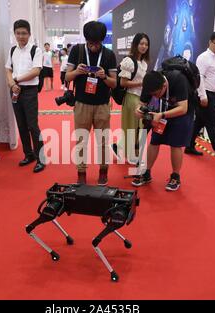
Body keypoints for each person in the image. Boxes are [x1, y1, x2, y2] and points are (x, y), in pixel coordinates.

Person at [65, 21, 117, 185]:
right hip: (82, 103)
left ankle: (103, 171)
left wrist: (104, 77)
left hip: (102, 104)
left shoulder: (109, 55)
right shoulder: (77, 50)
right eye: (91, 43)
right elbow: (67, 77)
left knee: (103, 141)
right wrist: (77, 71)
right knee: (81, 140)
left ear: (102, 40)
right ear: (86, 39)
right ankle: (81, 173)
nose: (94, 47)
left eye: (97, 43)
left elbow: (114, 83)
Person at [132, 69, 194, 192]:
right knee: (154, 141)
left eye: (156, 94)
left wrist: (162, 115)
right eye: (152, 94)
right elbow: (141, 103)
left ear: (164, 85)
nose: (154, 96)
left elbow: (183, 108)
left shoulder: (178, 79)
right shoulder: (150, 83)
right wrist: (138, 109)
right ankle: (146, 173)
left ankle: (175, 176)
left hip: (182, 112)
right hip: (161, 112)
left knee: (175, 144)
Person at [5, 19, 45, 173]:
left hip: (29, 91)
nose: (21, 36)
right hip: (15, 90)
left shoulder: (36, 50)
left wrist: (17, 80)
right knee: (21, 125)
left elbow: (36, 71)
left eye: (24, 33)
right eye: (18, 33)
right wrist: (12, 84)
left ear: (29, 34)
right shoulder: (12, 50)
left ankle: (41, 158)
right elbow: (8, 69)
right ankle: (29, 154)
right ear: (14, 34)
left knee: (32, 126)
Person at [186, 31, 215, 160]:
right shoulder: (203, 57)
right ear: (210, 42)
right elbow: (199, 77)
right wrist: (203, 96)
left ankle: (189, 145)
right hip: (205, 94)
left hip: (213, 94)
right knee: (212, 123)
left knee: (200, 122)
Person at [113, 33, 150, 165]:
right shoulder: (129, 61)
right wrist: (141, 84)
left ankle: (121, 148)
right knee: (131, 128)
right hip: (131, 98)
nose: (144, 46)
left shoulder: (144, 63)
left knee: (139, 128)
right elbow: (123, 83)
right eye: (141, 43)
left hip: (141, 99)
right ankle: (130, 156)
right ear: (135, 44)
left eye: (146, 44)